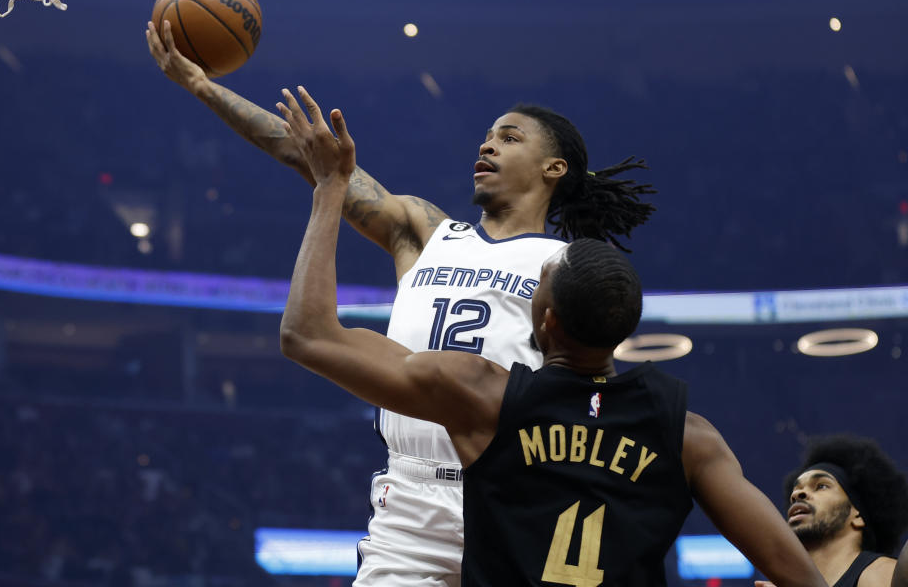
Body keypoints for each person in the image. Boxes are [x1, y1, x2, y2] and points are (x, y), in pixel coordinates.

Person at [147, 19, 655, 585]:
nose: (488, 143)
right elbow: (316, 163)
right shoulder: (424, 229)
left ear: (553, 168)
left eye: (510, 137)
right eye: (488, 135)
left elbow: (594, 392)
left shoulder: (566, 266)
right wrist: (202, 85)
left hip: (515, 489)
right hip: (410, 500)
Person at [276, 105, 828, 587]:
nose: (489, 144)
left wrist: (329, 188)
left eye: (510, 136)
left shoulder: (482, 395)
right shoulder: (685, 433)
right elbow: (794, 570)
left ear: (545, 321)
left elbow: (308, 335)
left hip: (479, 505)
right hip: (494, 510)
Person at [756, 436, 908, 587]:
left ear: (857, 516)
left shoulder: (880, 571)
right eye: (795, 492)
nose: (797, 495)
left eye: (821, 486)